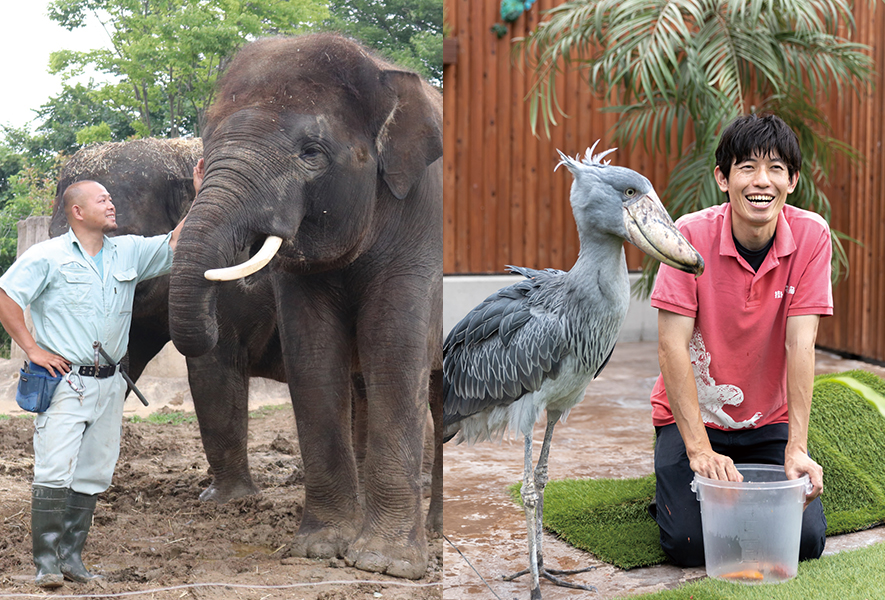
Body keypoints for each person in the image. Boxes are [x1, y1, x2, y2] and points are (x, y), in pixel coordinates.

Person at [0, 159, 203, 587]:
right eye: (102, 200)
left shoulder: (126, 251)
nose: (112, 205)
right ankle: (46, 564)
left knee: (94, 471)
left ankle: (72, 559)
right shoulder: (47, 256)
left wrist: (202, 196)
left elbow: (174, 243)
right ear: (77, 211)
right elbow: (6, 295)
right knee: (54, 469)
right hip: (66, 382)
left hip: (111, 382)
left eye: (110, 199)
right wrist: (32, 349)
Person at [647, 114, 830, 566]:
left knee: (806, 542)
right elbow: (672, 347)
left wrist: (797, 447)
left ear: (792, 181)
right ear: (722, 179)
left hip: (768, 420)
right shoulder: (686, 236)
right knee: (688, 545)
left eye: (775, 169)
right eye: (746, 167)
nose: (760, 181)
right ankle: (671, 493)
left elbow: (800, 346)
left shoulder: (812, 236)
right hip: (694, 417)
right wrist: (698, 451)